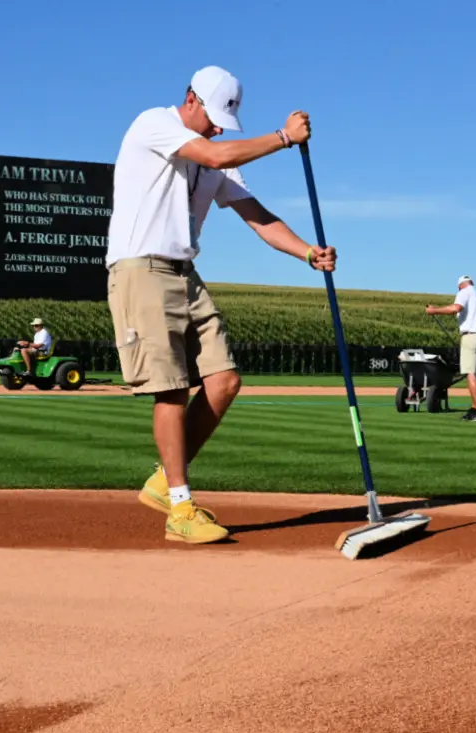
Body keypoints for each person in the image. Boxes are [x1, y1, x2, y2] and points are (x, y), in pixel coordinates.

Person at [104, 65, 337, 544]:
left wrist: (307, 253)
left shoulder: (219, 159)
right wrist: (283, 138)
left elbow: (257, 215)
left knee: (224, 379)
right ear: (190, 98)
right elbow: (213, 154)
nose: (216, 129)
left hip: (185, 273)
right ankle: (180, 509)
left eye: (222, 123)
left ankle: (162, 483)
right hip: (141, 269)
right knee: (171, 390)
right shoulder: (153, 123)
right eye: (211, 119)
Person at [425, 275, 476, 421]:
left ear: (460, 285)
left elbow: (456, 308)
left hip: (471, 336)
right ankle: (475, 407)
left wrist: (434, 310)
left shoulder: (464, 292)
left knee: (470, 373)